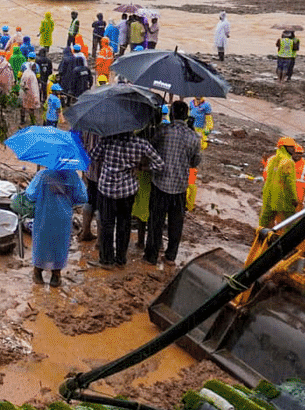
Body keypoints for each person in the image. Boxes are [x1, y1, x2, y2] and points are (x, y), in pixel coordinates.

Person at [89, 131, 164, 267]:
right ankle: (121, 260)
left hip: (107, 189)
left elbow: (93, 156)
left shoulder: (107, 140)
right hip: (128, 191)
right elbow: (160, 164)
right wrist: (142, 167)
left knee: (107, 225)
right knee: (124, 224)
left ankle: (106, 260)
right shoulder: (141, 143)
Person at [147, 101, 201, 265]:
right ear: (186, 116)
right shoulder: (193, 137)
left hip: (160, 183)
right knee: (175, 224)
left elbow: (150, 149)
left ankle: (151, 256)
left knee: (155, 222)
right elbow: (195, 163)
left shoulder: (162, 131)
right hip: (180, 187)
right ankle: (171, 257)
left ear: (171, 115)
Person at [26, 157, 89, 287]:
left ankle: (37, 273)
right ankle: (56, 275)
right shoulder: (73, 177)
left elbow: (30, 194)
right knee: (59, 244)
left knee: (41, 243)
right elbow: (82, 198)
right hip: (63, 217)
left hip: (44, 216)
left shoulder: (43, 175)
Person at [260, 137, 300, 227]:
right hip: (283, 196)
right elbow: (290, 183)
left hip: (269, 195)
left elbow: (265, 175)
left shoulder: (271, 160)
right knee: (290, 222)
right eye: (291, 147)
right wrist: (294, 198)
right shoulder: (288, 162)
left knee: (265, 221)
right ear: (283, 147)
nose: (294, 149)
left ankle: (262, 239)